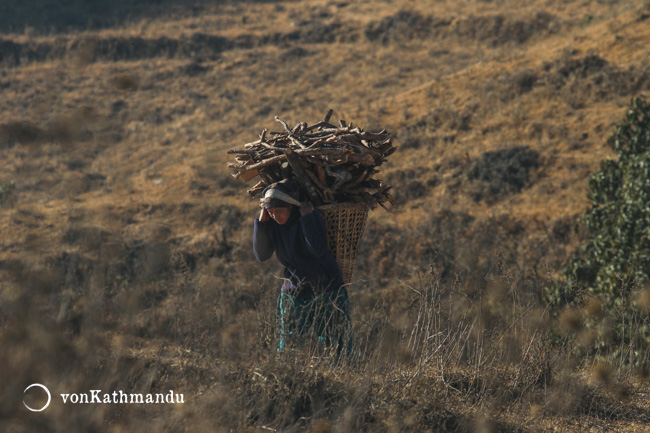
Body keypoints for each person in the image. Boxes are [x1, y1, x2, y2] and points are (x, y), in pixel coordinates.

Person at [252, 179, 352, 361]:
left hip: (327, 291)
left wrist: (307, 217)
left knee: (339, 345)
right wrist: (262, 223)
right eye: (271, 212)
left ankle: (348, 381)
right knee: (288, 348)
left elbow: (318, 249)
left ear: (292, 207)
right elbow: (261, 254)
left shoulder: (310, 218)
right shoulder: (273, 225)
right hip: (294, 293)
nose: (275, 216)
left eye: (279, 211)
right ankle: (288, 382)